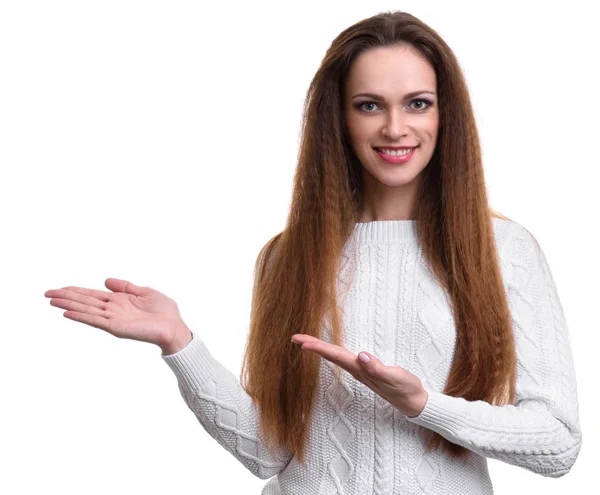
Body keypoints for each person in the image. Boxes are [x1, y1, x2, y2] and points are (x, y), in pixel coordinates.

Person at [44, 10, 582, 494]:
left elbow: (558, 445)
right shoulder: (288, 256)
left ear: (446, 114)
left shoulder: (503, 250)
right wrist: (179, 343)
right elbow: (268, 452)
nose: (395, 128)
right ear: (340, 119)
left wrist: (422, 405)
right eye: (369, 105)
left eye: (417, 103)